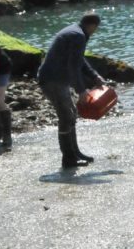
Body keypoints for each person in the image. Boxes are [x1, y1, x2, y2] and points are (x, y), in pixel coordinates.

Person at [37, 13, 106, 168]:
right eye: (96, 28)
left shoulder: (75, 31)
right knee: (66, 117)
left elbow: (79, 59)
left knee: (71, 114)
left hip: (57, 79)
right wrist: (81, 90)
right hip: (52, 80)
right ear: (93, 25)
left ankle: (75, 153)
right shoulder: (78, 36)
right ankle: (68, 160)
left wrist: (94, 76)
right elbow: (73, 67)